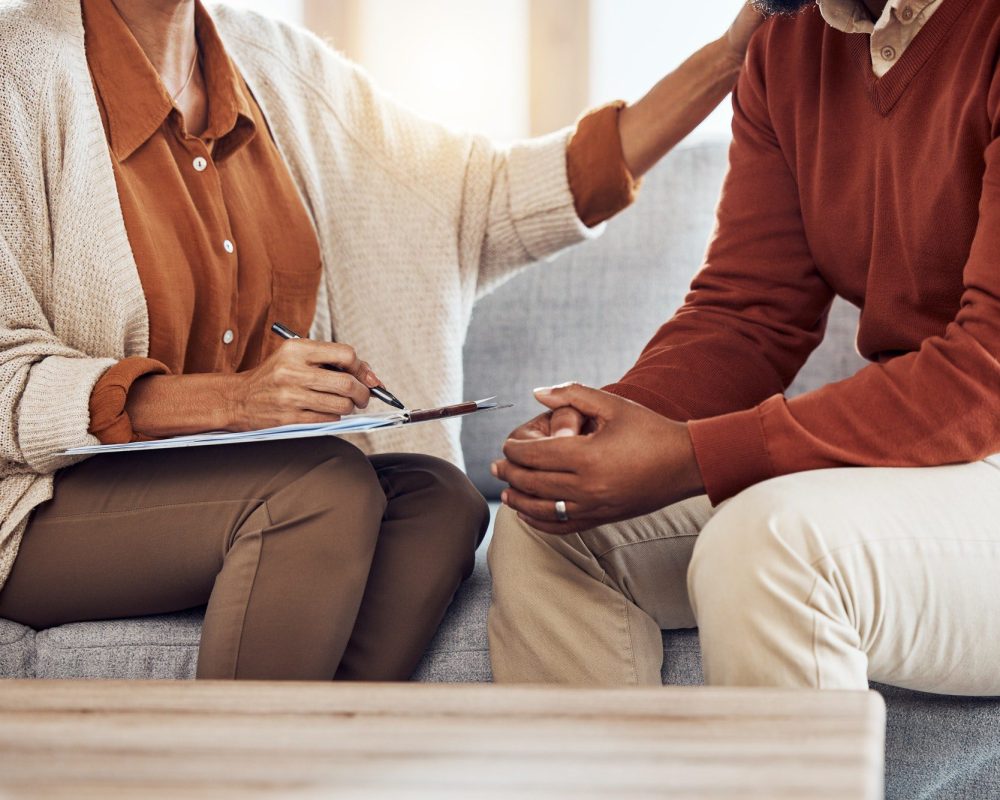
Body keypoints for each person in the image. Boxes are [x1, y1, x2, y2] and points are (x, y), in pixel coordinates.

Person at [0, 0, 762, 680]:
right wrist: (235, 400)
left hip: (236, 491)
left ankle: (320, 763)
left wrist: (730, 55)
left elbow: (485, 199)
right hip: (41, 503)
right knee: (319, 490)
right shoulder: (20, 72)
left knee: (438, 501)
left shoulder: (273, 69)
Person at [489, 0, 1000, 694]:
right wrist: (605, 426)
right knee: (551, 522)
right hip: (920, 459)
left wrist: (692, 455)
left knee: (769, 546)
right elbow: (749, 313)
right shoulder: (792, 37)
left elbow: (986, 375)